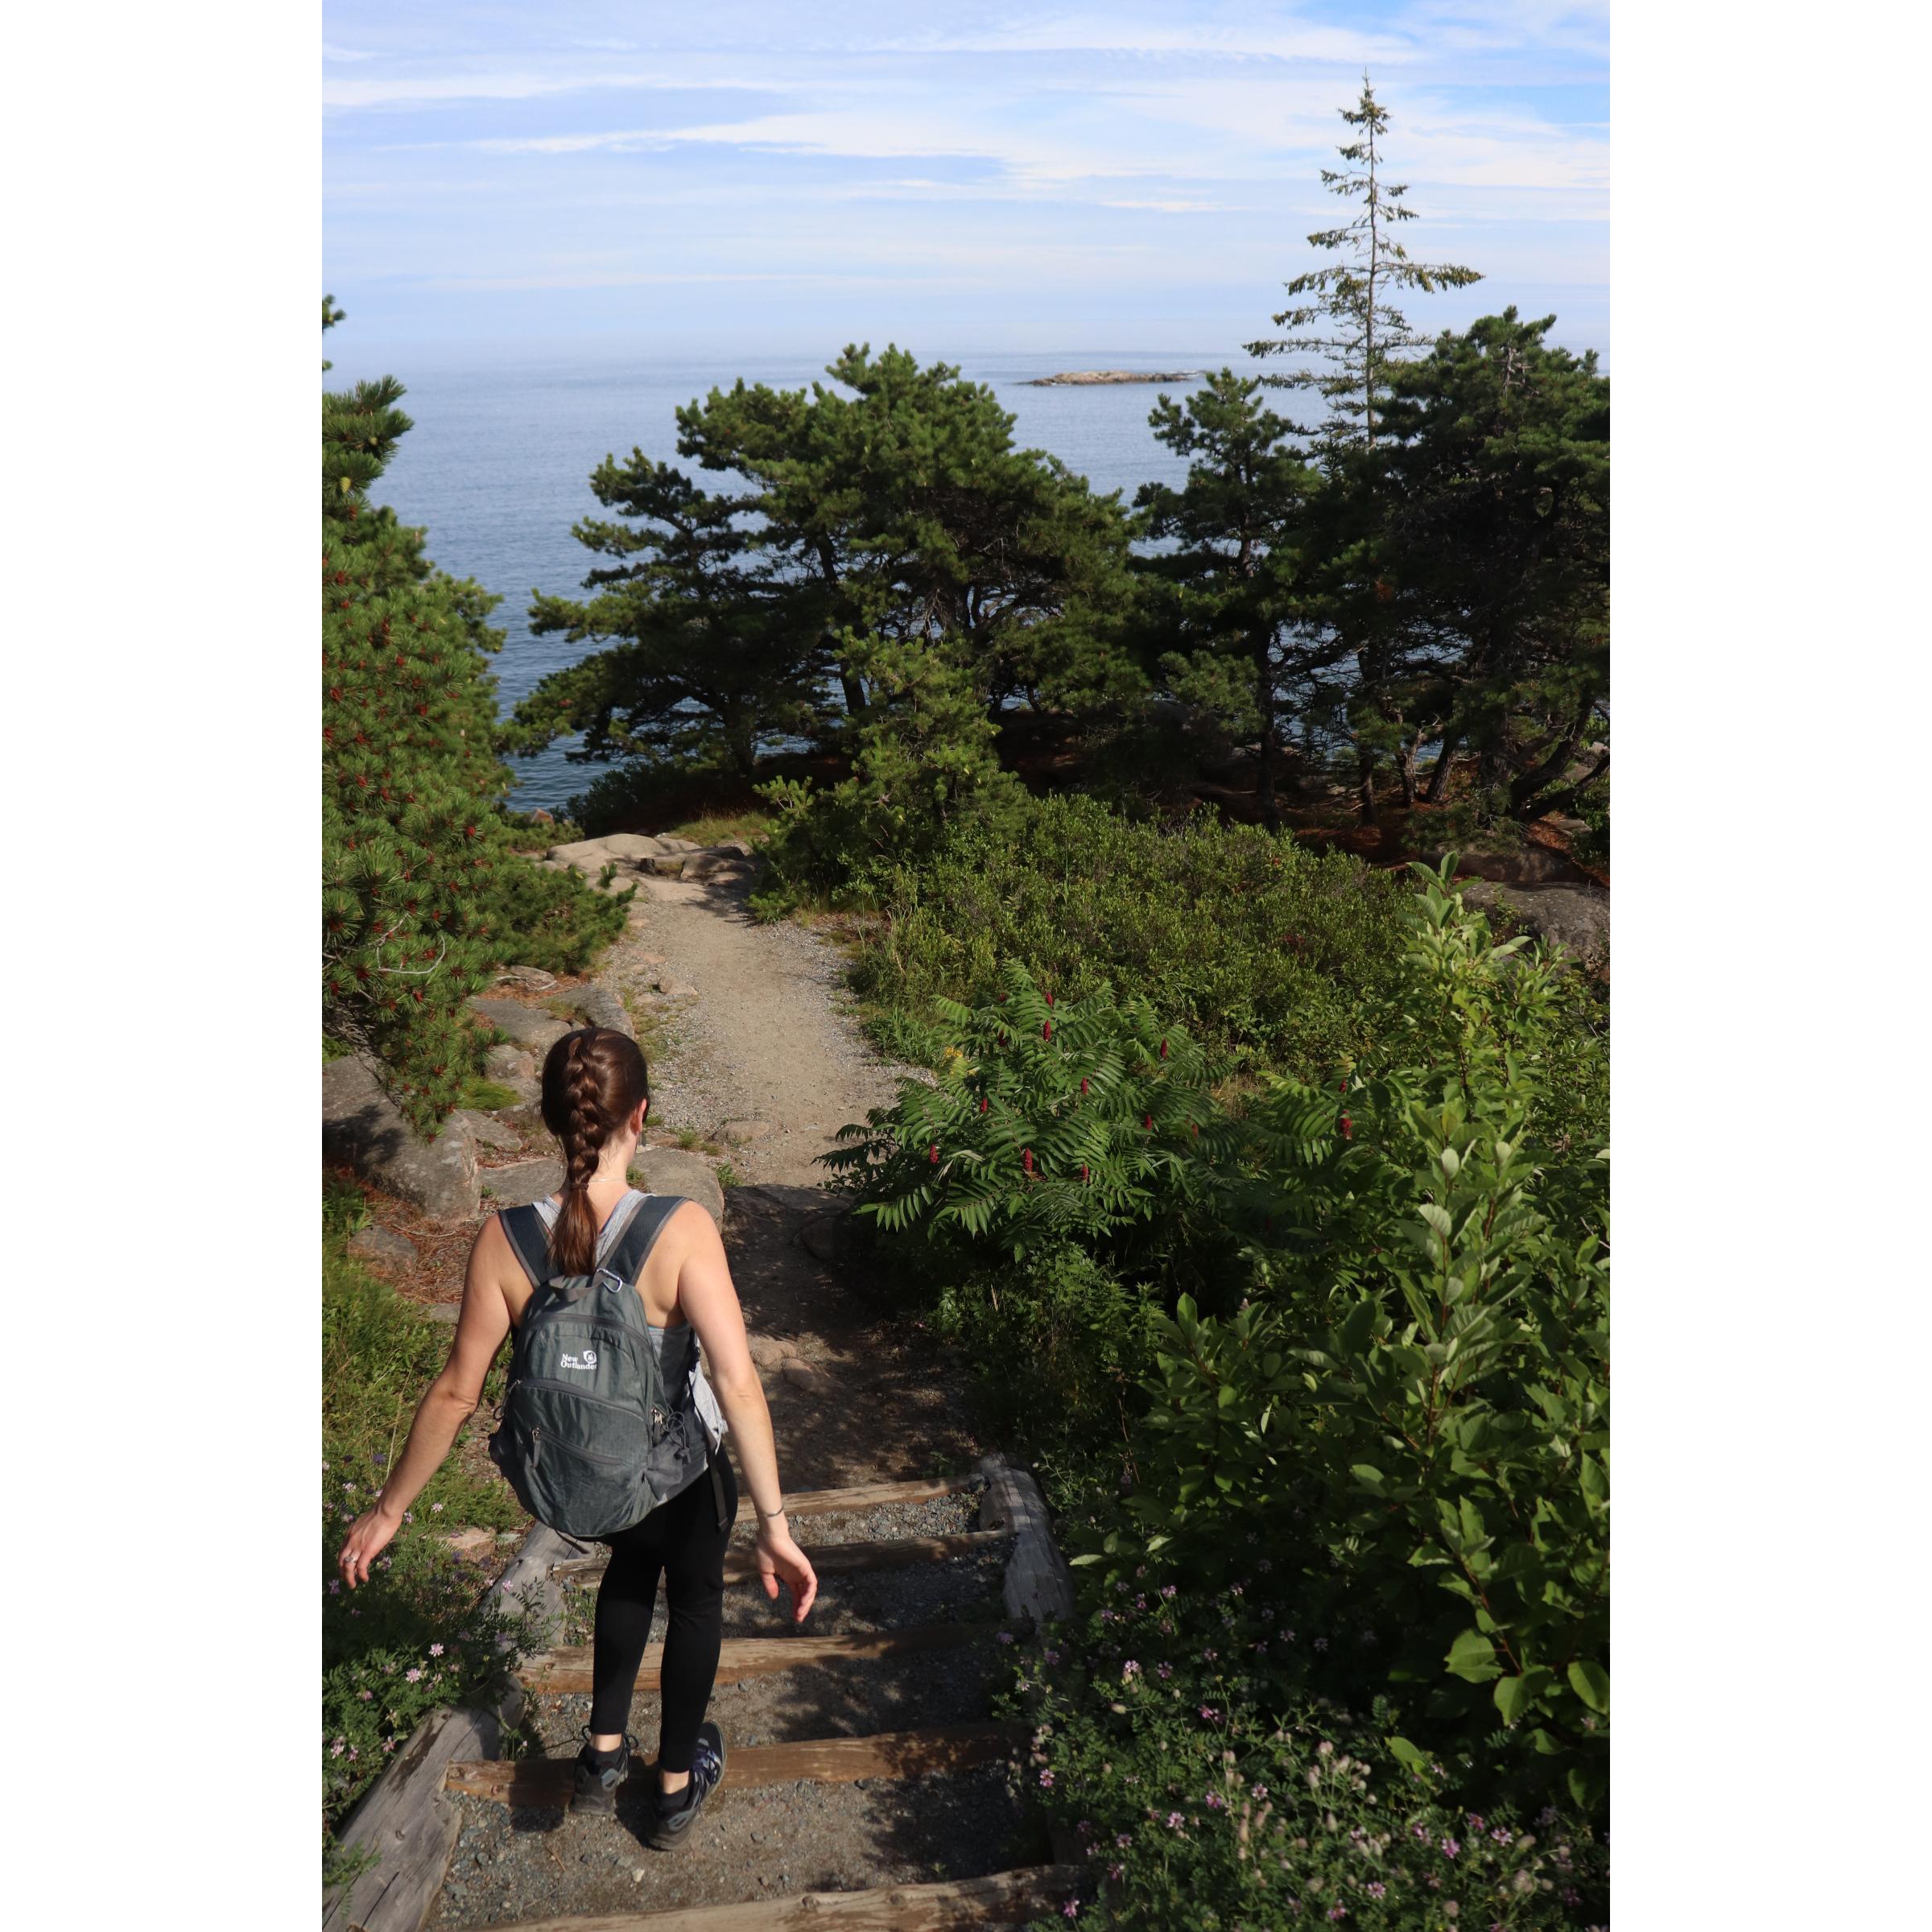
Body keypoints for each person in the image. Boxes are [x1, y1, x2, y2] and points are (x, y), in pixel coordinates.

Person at [336, 1024, 819, 1847]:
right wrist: (774, 1527)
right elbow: (737, 1381)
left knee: (629, 1570)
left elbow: (457, 1391)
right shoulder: (681, 1228)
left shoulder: (505, 1238)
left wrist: (390, 1510)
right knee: (695, 1600)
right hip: (674, 1477)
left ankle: (599, 1758)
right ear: (641, 1115)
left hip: (584, 1488)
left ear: (555, 1120)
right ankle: (671, 1788)